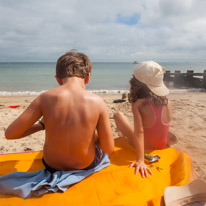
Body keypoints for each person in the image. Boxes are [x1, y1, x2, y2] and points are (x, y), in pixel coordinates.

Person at [5, 51, 114, 173]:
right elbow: (108, 148)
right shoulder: (97, 102)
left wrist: (41, 126)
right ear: (88, 77)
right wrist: (91, 133)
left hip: (52, 166)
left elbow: (10, 134)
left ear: (58, 79)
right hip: (85, 165)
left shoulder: (44, 98)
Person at [114, 61, 173, 178]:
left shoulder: (138, 104)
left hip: (145, 145)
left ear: (137, 83)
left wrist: (140, 160)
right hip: (161, 144)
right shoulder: (168, 102)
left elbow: (139, 132)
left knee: (117, 115)